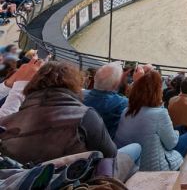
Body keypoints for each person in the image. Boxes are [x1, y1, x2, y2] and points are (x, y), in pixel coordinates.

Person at [0, 61, 139, 165]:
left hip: (26, 177)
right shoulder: (85, 115)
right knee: (136, 148)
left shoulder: (7, 122)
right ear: (73, 84)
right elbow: (110, 155)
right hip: (69, 178)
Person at [115, 70, 187, 171]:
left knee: (182, 128)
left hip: (131, 164)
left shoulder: (126, 111)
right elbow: (172, 144)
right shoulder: (160, 114)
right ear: (157, 91)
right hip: (154, 167)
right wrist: (176, 133)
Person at [83, 61, 128, 139]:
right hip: (106, 147)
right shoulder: (122, 103)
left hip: (81, 142)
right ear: (117, 84)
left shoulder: (78, 95)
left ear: (95, 78)